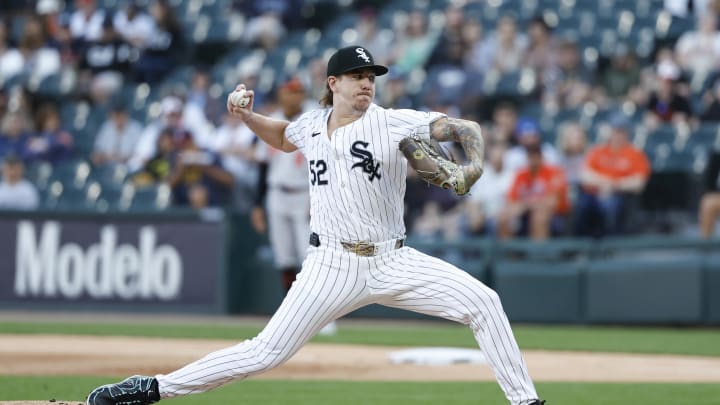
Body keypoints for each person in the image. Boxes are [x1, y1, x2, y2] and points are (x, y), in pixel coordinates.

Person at [85, 46, 545, 405]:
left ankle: (525, 400)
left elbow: (467, 130)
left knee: (484, 302)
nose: (367, 84)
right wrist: (246, 117)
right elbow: (282, 137)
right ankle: (150, 388)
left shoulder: (393, 123)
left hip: (393, 258)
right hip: (330, 264)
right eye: (358, 77)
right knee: (265, 352)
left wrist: (473, 167)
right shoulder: (310, 124)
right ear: (333, 82)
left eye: (371, 77)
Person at [575, 114, 651, 237]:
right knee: (582, 205)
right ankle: (579, 246)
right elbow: (585, 175)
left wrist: (613, 186)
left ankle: (611, 247)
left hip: (620, 195)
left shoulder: (635, 154)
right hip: (594, 194)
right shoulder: (598, 151)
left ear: (627, 133)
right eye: (615, 131)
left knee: (610, 205)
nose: (618, 135)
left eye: (621, 131)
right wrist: (605, 184)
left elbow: (638, 183)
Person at [497, 144, 570, 240]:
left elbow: (552, 202)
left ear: (541, 157)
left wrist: (526, 204)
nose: (533, 160)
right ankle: (509, 253)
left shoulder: (553, 172)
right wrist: (522, 207)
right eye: (530, 156)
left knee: (539, 216)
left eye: (535, 156)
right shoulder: (521, 175)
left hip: (555, 214)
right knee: (503, 216)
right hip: (525, 213)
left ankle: (539, 254)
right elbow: (511, 201)